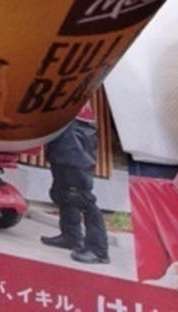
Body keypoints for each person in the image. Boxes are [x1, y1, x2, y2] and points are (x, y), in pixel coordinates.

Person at [40, 102, 110, 264]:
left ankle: (98, 250)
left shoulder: (74, 90)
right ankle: (70, 237)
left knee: (82, 197)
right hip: (65, 137)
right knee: (63, 192)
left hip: (75, 140)